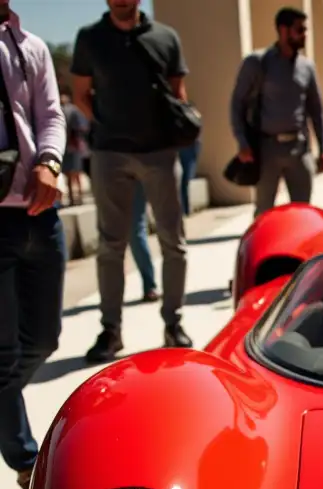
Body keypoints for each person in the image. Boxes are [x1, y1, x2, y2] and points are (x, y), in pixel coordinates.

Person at [71, 0, 192, 363]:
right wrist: (111, 126)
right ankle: (111, 330)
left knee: (173, 241)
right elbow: (80, 95)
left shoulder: (165, 37)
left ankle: (173, 323)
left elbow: (178, 93)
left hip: (160, 153)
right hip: (110, 153)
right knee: (111, 245)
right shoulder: (90, 38)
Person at [0, 2, 65, 489]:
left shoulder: (32, 47)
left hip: (39, 210)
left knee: (43, 338)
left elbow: (50, 115)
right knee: (3, 354)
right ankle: (27, 462)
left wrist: (49, 161)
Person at [229, 6, 323, 218]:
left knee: (303, 212)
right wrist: (243, 143)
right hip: (266, 150)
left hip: (299, 149)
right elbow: (237, 104)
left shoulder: (307, 67)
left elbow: (316, 110)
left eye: (305, 30)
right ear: (283, 30)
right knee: (264, 211)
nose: (304, 35)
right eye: (299, 30)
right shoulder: (257, 62)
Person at [59, 87, 88, 205]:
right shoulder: (59, 110)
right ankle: (72, 197)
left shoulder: (74, 110)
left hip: (74, 145)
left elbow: (81, 126)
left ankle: (79, 196)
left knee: (76, 172)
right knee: (67, 174)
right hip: (63, 146)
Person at [178, 136, 200, 215]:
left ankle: (185, 208)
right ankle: (185, 208)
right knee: (185, 179)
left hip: (188, 142)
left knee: (185, 180)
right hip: (186, 143)